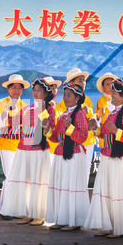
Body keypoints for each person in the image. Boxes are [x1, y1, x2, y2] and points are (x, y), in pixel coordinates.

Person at [84, 79, 123, 238]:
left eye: (114, 93)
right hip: (107, 154)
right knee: (106, 188)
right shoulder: (113, 112)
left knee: (117, 189)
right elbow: (104, 133)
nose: (111, 95)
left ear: (122, 96)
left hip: (120, 156)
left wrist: (116, 131)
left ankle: (119, 227)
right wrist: (96, 128)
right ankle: (107, 224)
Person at [0, 78, 55, 226]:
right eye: (34, 90)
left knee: (38, 181)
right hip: (23, 148)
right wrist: (12, 110)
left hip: (38, 149)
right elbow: (14, 124)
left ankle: (38, 214)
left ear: (45, 93)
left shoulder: (48, 108)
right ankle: (27, 212)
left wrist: (44, 115)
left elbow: (51, 128)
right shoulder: (27, 108)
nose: (36, 93)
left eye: (39, 90)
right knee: (26, 181)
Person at [45, 82, 90, 231]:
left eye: (69, 95)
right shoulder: (64, 114)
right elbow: (57, 138)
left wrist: (70, 127)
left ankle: (74, 221)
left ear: (77, 98)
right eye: (64, 94)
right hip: (61, 152)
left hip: (74, 154)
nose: (65, 97)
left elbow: (83, 137)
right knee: (61, 185)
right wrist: (48, 130)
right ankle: (62, 218)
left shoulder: (79, 114)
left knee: (71, 186)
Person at [0, 74, 29, 220]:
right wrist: (3, 117)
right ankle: (3, 209)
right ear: (8, 89)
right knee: (10, 176)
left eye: (19, 88)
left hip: (20, 145)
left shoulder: (25, 106)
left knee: (18, 177)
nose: (16, 91)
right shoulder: (1, 103)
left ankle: (14, 208)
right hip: (6, 142)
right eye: (13, 87)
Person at [60, 68, 96, 186]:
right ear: (72, 84)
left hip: (88, 139)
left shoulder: (87, 100)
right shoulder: (65, 101)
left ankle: (82, 198)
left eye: (84, 80)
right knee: (71, 171)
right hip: (73, 142)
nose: (83, 83)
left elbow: (92, 121)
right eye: (80, 81)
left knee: (85, 170)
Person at [43, 76, 64, 166]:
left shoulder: (59, 107)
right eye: (51, 88)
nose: (54, 91)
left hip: (58, 148)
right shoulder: (39, 105)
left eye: (55, 88)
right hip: (45, 149)